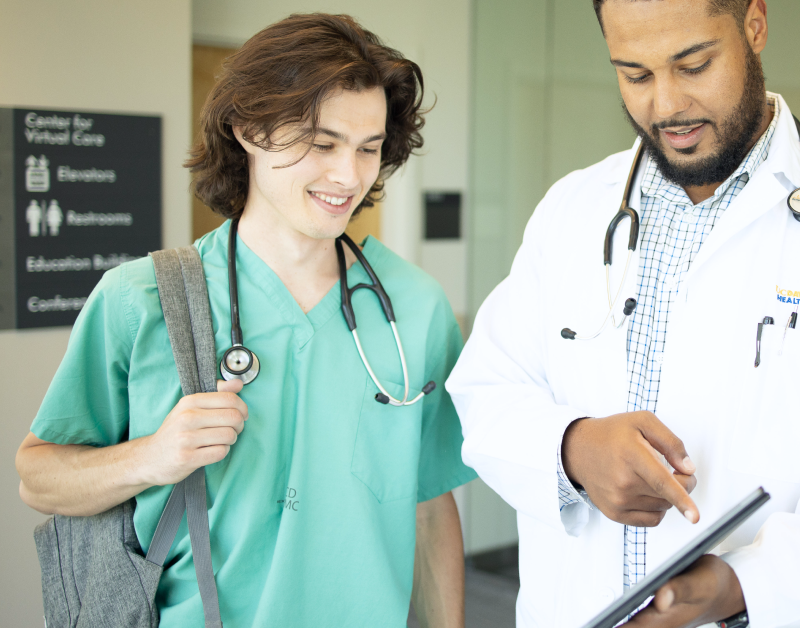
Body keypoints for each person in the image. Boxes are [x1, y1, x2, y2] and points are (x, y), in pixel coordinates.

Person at [446, 1, 800, 627]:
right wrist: (573, 450)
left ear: (754, 24)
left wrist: (741, 586)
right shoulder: (572, 209)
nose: (666, 105)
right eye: (634, 74)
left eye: (693, 64)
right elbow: (488, 391)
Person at [15, 13, 475, 628]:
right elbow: (38, 478)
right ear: (249, 129)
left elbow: (428, 504)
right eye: (322, 143)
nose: (349, 175)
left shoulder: (414, 307)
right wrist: (154, 456)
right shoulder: (141, 299)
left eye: (369, 149)